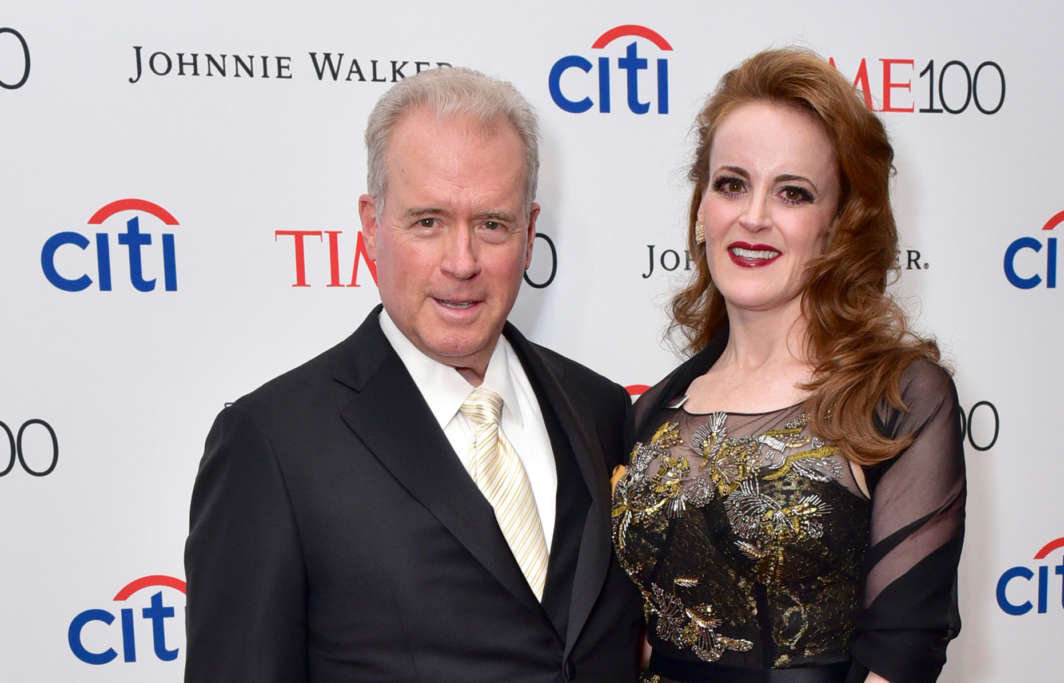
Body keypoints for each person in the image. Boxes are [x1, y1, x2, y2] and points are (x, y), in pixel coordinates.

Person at [184, 67, 641, 682]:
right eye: (428, 221)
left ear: (530, 235)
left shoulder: (603, 411)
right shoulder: (271, 444)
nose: (462, 262)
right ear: (372, 228)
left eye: (492, 224)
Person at [611, 48, 965, 683]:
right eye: (732, 184)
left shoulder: (898, 399)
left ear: (838, 226)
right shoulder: (652, 415)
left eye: (793, 193)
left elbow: (902, 651)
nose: (753, 217)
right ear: (701, 210)